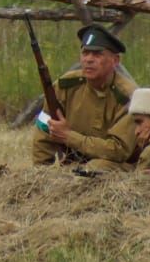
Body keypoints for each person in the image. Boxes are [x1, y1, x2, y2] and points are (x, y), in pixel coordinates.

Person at [30, 25, 138, 166]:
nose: (89, 59)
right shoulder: (66, 85)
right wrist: (41, 172)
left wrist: (69, 137)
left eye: (97, 54)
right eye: (85, 53)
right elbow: (45, 126)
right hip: (75, 163)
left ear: (115, 60)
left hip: (116, 165)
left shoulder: (128, 97)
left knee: (95, 168)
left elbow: (118, 150)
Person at [80, 87, 150, 173]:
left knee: (96, 166)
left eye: (139, 122)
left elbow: (137, 185)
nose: (137, 131)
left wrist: (146, 150)